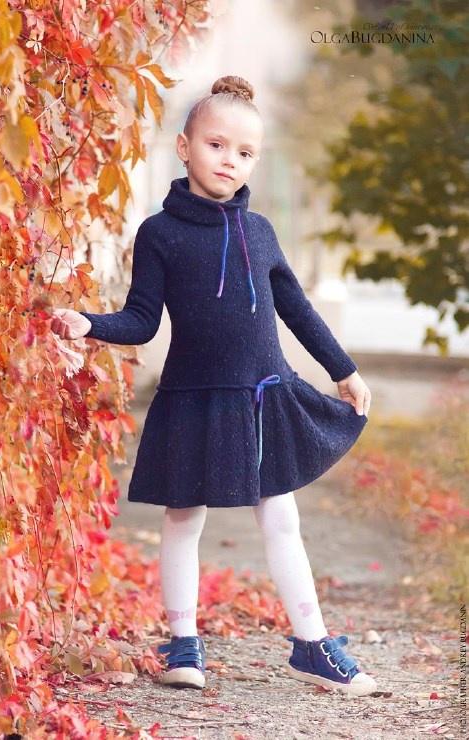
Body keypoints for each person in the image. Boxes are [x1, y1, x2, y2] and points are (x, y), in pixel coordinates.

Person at [51, 75, 376, 697]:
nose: (230, 160)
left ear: (255, 160)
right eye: (216, 145)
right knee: (183, 516)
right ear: (184, 147)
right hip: (192, 395)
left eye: (245, 152)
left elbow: (297, 309)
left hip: (261, 396)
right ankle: (183, 644)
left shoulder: (261, 233)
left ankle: (312, 645)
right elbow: (142, 321)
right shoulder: (159, 233)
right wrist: (89, 323)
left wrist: (344, 370)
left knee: (281, 517)